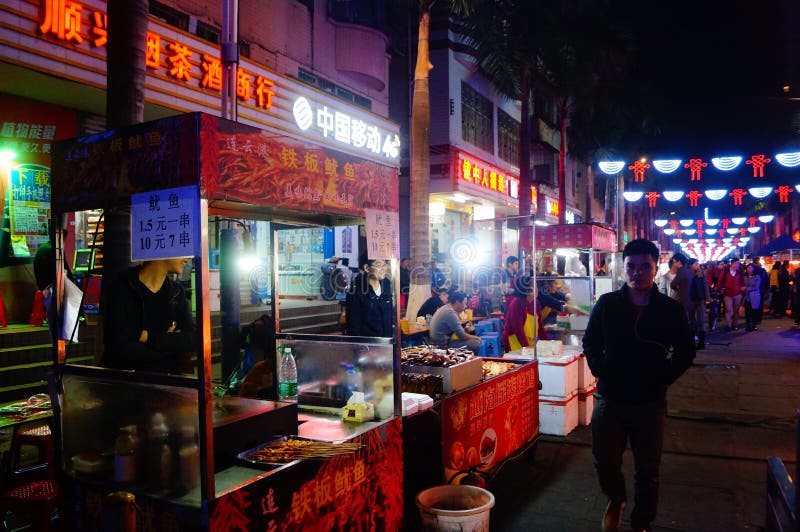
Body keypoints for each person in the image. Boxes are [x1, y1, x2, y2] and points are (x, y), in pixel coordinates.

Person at [582, 239, 695, 532]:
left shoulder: (669, 310)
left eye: (645, 266)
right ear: (623, 268)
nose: (637, 273)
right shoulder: (607, 305)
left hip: (650, 402)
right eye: (631, 266)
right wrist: (600, 369)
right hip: (610, 398)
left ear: (656, 269)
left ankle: (641, 522)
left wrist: (663, 377)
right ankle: (616, 498)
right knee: (604, 461)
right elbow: (590, 342)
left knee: (648, 470)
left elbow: (685, 351)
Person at [102, 257, 196, 374]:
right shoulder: (122, 287)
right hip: (126, 384)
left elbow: (193, 340)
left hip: (169, 383)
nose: (189, 257)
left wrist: (147, 337)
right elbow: (120, 349)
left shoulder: (176, 292)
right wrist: (170, 344)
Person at [345, 259, 393, 337]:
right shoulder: (356, 290)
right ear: (366, 268)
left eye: (384, 265)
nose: (384, 269)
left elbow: (390, 315)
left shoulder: (386, 284)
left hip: (387, 341)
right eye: (379, 265)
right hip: (368, 343)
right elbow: (353, 324)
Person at [501, 276, 547, 351]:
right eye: (534, 286)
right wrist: (528, 349)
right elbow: (518, 330)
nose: (537, 289)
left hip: (529, 343)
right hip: (514, 342)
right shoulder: (516, 304)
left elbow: (540, 327)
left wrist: (548, 343)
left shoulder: (536, 303)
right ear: (527, 290)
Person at [688, 258, 710, 349]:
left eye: (698, 264)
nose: (698, 265)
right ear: (690, 265)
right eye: (696, 264)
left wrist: (707, 297)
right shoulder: (687, 274)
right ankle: (693, 339)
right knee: (691, 320)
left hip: (700, 299)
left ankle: (701, 342)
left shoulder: (702, 273)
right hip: (690, 300)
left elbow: (705, 286)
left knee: (701, 320)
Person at [717, 258, 745, 331]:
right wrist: (722, 290)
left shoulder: (739, 273)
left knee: (736, 310)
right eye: (736, 264)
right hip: (728, 294)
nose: (738, 265)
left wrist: (742, 289)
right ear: (732, 264)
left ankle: (735, 325)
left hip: (737, 294)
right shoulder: (725, 272)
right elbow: (719, 282)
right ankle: (728, 325)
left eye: (738, 264)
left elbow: (742, 283)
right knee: (728, 310)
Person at [669, 253, 692, 317]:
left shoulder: (681, 271)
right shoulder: (687, 270)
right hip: (687, 298)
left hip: (681, 299)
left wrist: (677, 288)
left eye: (674, 262)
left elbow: (673, 284)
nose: (673, 264)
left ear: (679, 262)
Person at [743, 263, 761, 332]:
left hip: (754, 296)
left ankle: (754, 325)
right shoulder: (745, 277)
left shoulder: (757, 277)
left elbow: (756, 287)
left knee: (754, 311)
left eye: (750, 267)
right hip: (746, 297)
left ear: (753, 269)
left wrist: (746, 288)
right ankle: (748, 325)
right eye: (748, 268)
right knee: (747, 312)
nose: (749, 269)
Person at [751, 257, 769, 325]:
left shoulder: (750, 269)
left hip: (752, 290)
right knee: (760, 304)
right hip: (761, 289)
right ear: (758, 262)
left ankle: (753, 318)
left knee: (752, 304)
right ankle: (758, 319)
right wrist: (767, 288)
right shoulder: (762, 270)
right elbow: (767, 280)